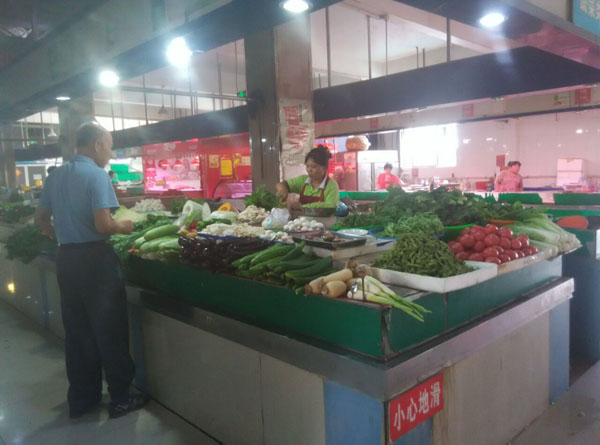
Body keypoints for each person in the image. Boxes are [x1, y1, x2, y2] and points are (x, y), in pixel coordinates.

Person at [34, 122, 148, 420]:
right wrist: (125, 226)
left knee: (78, 330)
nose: (110, 154)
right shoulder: (96, 175)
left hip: (66, 259)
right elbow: (103, 225)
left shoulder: (56, 175)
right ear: (97, 144)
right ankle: (121, 398)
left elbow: (40, 218)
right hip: (96, 261)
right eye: (109, 147)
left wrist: (57, 232)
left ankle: (82, 398)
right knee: (110, 329)